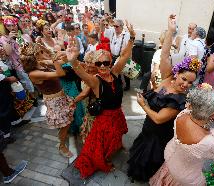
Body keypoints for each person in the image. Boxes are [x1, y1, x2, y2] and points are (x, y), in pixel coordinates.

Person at [127, 15, 200, 182]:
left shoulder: (179, 100)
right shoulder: (167, 77)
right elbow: (165, 54)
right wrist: (171, 31)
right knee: (140, 150)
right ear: (176, 74)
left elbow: (159, 119)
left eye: (190, 82)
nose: (186, 84)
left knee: (149, 159)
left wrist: (143, 105)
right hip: (148, 128)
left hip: (158, 135)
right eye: (184, 79)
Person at [67, 21, 135, 178]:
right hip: (104, 119)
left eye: (106, 62)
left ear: (110, 62)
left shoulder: (115, 72)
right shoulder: (95, 80)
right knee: (103, 143)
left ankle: (117, 147)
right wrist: (73, 61)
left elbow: (124, 55)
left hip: (117, 113)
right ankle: (105, 159)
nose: (103, 66)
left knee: (118, 134)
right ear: (95, 65)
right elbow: (81, 74)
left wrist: (131, 37)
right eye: (99, 63)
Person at [149, 83, 214, 186]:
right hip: (186, 176)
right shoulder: (212, 141)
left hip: (170, 156)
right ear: (213, 115)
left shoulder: (184, 113)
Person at [19, 42, 75, 158]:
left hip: (61, 96)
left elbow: (64, 61)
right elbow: (60, 72)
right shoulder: (34, 73)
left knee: (67, 121)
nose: (43, 52)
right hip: (54, 101)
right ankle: (61, 145)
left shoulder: (41, 63)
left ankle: (62, 137)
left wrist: (52, 53)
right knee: (65, 124)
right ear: (36, 56)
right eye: (41, 51)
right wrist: (53, 56)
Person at [104, 19, 131, 91]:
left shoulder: (126, 35)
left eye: (116, 26)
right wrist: (105, 23)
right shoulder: (112, 32)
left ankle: (127, 86)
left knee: (125, 72)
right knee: (114, 72)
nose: (115, 28)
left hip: (122, 57)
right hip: (113, 56)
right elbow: (103, 30)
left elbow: (129, 47)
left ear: (121, 26)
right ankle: (119, 84)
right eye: (114, 26)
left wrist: (126, 54)